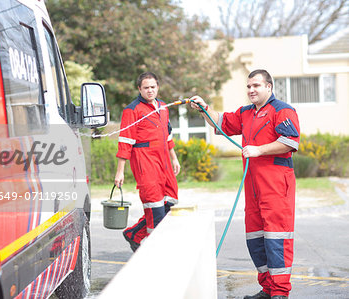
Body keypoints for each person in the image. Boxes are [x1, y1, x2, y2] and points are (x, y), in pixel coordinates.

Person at [190, 69, 300, 299]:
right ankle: (268, 288)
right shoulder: (246, 113)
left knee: (276, 238)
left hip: (276, 185)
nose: (251, 90)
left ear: (269, 87)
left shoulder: (282, 110)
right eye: (249, 86)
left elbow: (289, 142)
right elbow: (221, 123)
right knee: (256, 238)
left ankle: (280, 292)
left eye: (256, 86)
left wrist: (259, 150)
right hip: (253, 187)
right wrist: (205, 108)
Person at [114, 72, 180, 252]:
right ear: (139, 89)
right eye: (146, 88)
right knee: (154, 206)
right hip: (145, 162)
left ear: (157, 87)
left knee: (169, 203)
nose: (150, 91)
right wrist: (120, 171)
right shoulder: (132, 110)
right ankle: (155, 249)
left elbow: (168, 136)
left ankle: (134, 234)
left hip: (165, 161)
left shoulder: (163, 107)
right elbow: (125, 142)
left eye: (153, 87)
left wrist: (174, 158)